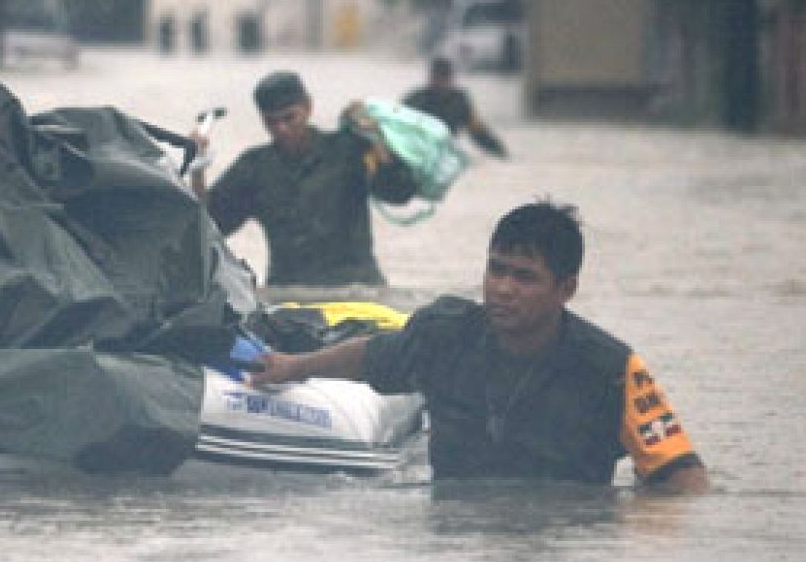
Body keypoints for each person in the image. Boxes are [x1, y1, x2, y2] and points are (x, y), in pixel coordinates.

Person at [244, 201, 710, 492]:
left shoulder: (610, 369)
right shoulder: (444, 334)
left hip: (560, 546)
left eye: (524, 277)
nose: (503, 288)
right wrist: (294, 367)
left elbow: (682, 476)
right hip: (458, 548)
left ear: (565, 289)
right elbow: (370, 356)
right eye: (496, 269)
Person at [190, 70, 416, 287]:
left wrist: (378, 138)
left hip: (358, 290)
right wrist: (197, 169)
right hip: (289, 295)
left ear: (308, 107)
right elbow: (207, 229)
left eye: (289, 118)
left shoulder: (349, 150)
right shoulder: (254, 168)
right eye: (272, 122)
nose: (283, 129)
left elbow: (400, 192)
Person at [403, 56, 509, 158]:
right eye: (437, 77)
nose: (440, 82)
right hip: (419, 149)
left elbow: (478, 132)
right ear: (431, 78)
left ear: (451, 79)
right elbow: (398, 128)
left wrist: (500, 152)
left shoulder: (460, 101)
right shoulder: (416, 99)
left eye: (444, 78)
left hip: (446, 151)